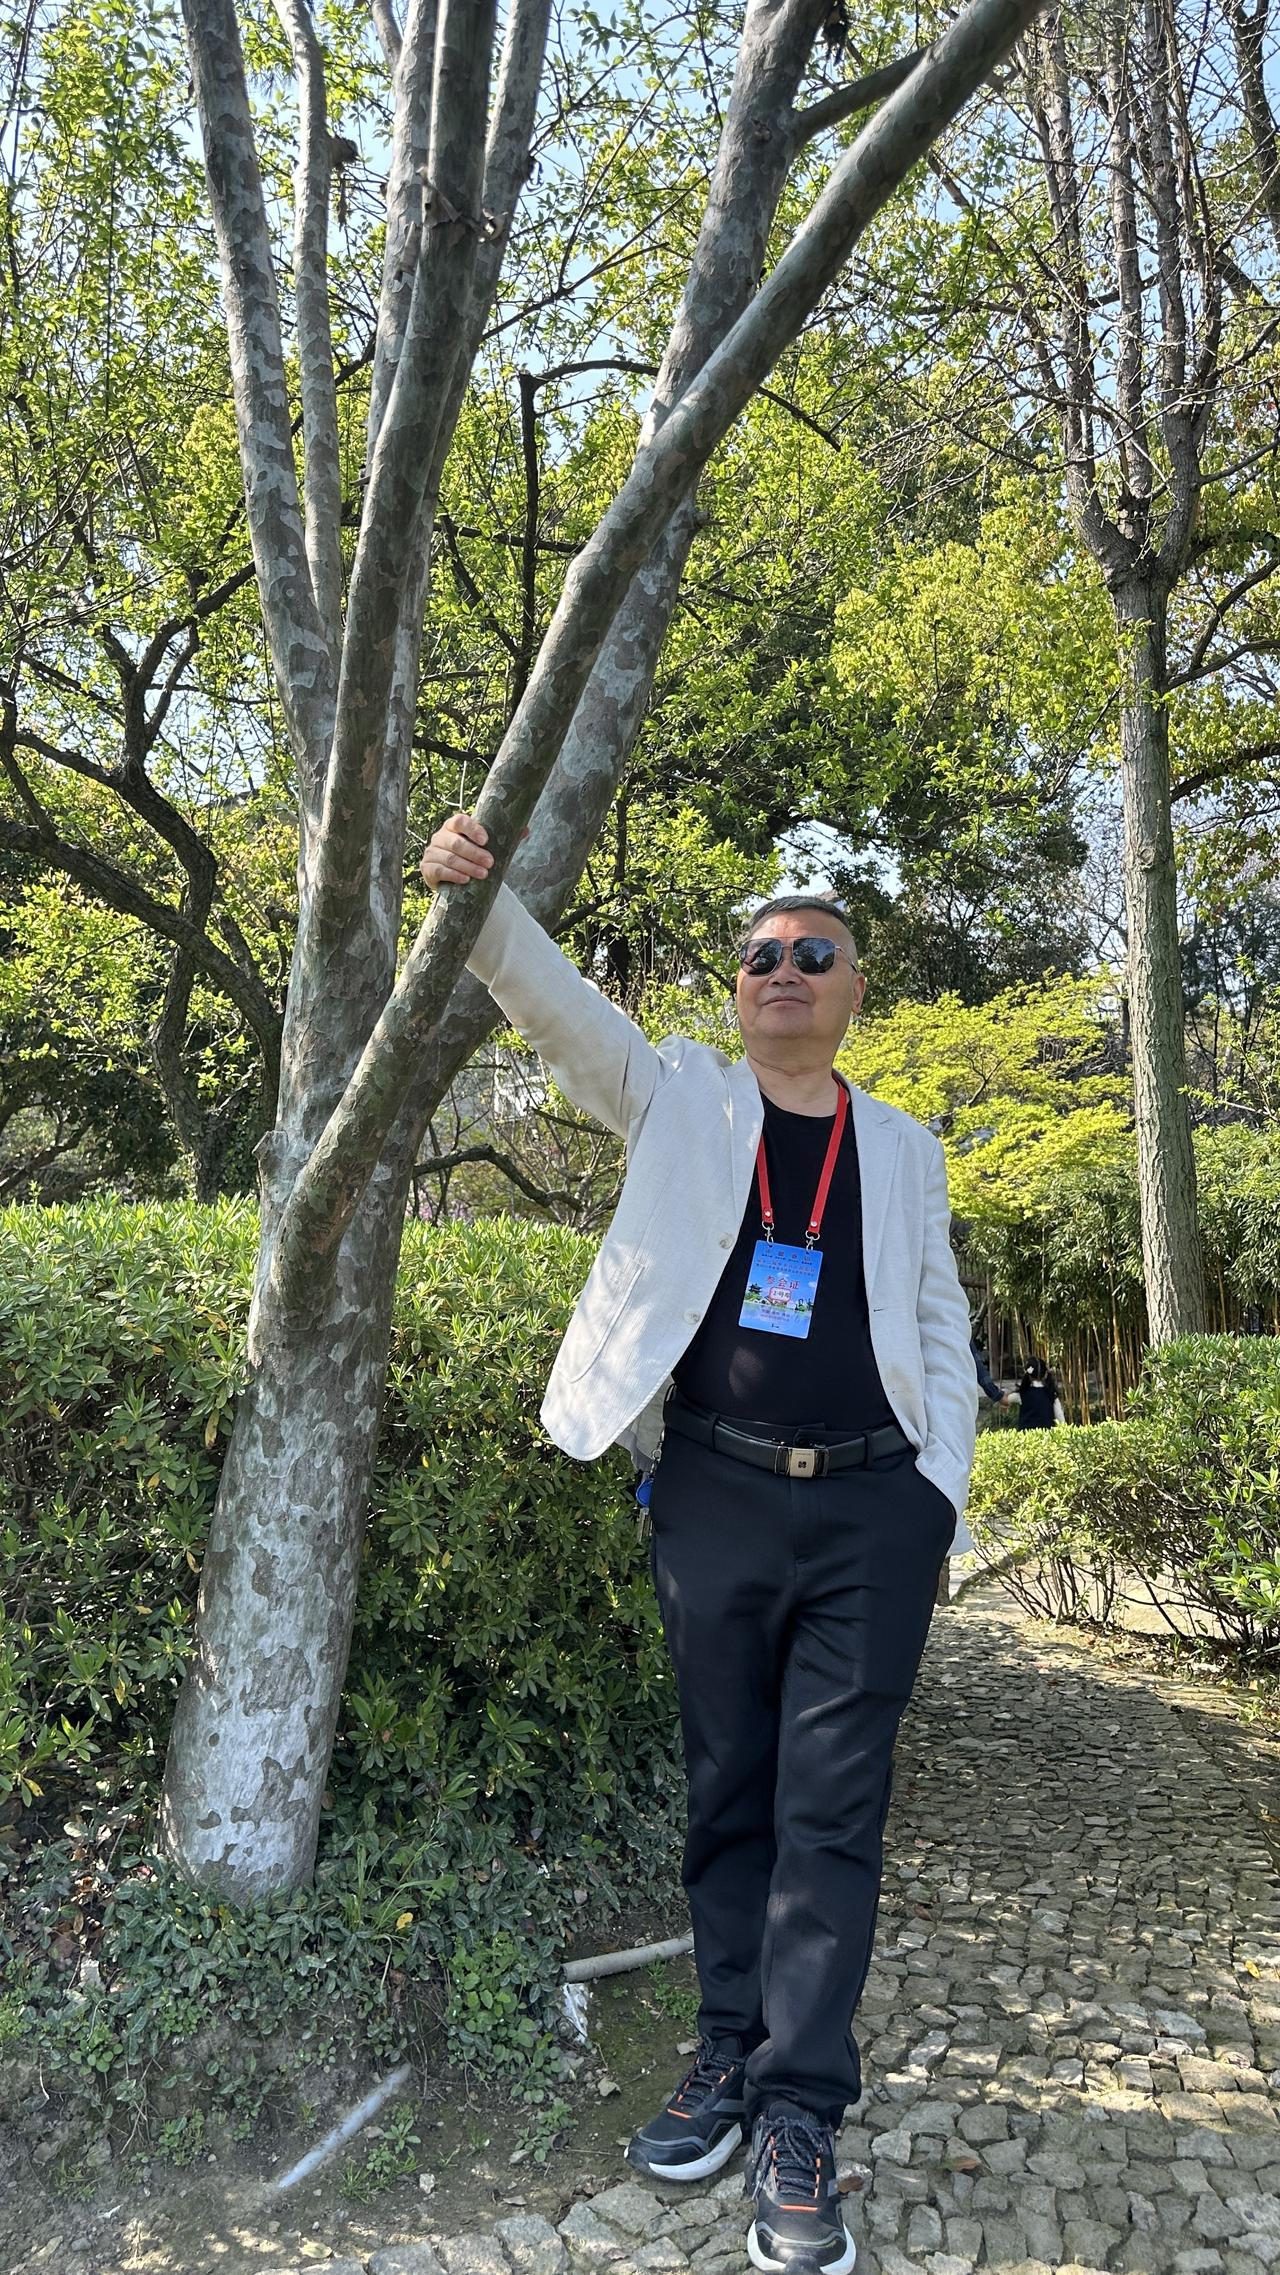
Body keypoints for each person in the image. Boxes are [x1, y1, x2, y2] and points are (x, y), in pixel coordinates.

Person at [421, 816, 977, 2275]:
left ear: (853, 985)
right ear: (737, 988)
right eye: (759, 954)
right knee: (729, 1792)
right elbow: (564, 1015)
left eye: (813, 951)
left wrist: (938, 1493)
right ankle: (727, 2048)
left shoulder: (902, 1148)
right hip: (717, 1495)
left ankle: (799, 2111)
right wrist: (488, 903)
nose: (781, 968)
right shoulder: (679, 1098)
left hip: (872, 1510)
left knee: (829, 1817)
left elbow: (938, 1322)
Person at [1014, 1356, 1065, 1428]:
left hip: (1025, 1434)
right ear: (1045, 1374)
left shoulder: (1022, 1393)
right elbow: (1060, 1418)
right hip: (1046, 1434)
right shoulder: (1051, 1393)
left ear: (1028, 1375)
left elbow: (1006, 1399)